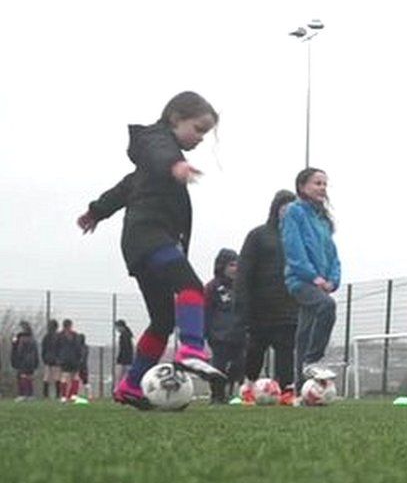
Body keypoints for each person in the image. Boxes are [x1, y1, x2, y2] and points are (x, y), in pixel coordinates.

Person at [78, 91, 225, 409]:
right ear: (175, 119)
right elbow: (159, 150)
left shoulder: (147, 168)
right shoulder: (156, 141)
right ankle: (191, 349)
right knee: (191, 288)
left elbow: (122, 189)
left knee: (161, 320)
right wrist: (175, 164)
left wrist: (95, 212)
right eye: (198, 129)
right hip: (148, 236)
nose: (200, 138)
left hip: (143, 244)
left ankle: (130, 386)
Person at [281, 168, 341, 404]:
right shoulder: (294, 212)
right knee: (326, 307)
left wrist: (333, 279)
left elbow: (332, 254)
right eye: (317, 183)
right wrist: (313, 276)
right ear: (302, 186)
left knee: (303, 335)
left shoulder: (323, 219)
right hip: (300, 280)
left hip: (321, 282)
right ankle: (313, 361)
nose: (322, 188)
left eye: (325, 184)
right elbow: (293, 248)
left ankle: (299, 391)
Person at [236, 190, 299, 406]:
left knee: (286, 349)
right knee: (255, 348)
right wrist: (242, 303)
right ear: (276, 209)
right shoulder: (258, 236)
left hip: (288, 305)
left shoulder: (297, 238)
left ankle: (287, 391)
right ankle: (248, 386)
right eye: (285, 207)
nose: (288, 212)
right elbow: (244, 272)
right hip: (260, 306)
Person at [204, 248, 246, 404]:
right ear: (222, 266)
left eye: (238, 265)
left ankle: (232, 391)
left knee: (240, 365)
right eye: (232, 265)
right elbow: (206, 310)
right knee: (218, 367)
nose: (236, 269)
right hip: (219, 335)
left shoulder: (242, 287)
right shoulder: (212, 287)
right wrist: (206, 332)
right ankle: (217, 396)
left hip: (240, 334)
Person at [11, 321, 40, 401]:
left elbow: (19, 351)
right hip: (31, 361)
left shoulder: (21, 339)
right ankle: (30, 394)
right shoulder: (32, 339)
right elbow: (36, 352)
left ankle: (22, 394)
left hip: (23, 361)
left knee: (22, 377)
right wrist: (36, 362)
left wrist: (16, 358)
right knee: (29, 377)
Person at [56, 319, 84, 402]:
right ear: (71, 325)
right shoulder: (75, 335)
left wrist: (58, 358)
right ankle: (73, 395)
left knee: (64, 376)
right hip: (74, 359)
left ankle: (64, 396)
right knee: (75, 376)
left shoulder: (59, 335)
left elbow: (56, 348)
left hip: (64, 359)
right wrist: (80, 358)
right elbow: (78, 348)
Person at [40, 319, 60, 399]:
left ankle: (46, 395)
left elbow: (43, 349)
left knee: (47, 378)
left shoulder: (46, 337)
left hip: (48, 360)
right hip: (55, 361)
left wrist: (44, 358)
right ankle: (57, 395)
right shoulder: (58, 337)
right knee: (56, 378)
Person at [115, 320, 134, 384]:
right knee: (125, 377)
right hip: (128, 360)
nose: (117, 329)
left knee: (120, 378)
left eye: (117, 327)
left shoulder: (124, 336)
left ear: (121, 327)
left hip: (124, 361)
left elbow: (124, 349)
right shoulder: (128, 335)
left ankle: (120, 391)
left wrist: (120, 360)